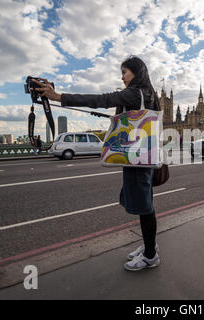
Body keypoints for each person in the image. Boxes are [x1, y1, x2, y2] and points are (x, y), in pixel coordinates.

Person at [33, 56, 161, 271]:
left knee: (144, 207)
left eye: (124, 72)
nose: (122, 77)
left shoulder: (135, 92)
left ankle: (150, 256)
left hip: (136, 160)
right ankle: (150, 246)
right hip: (142, 156)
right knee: (145, 204)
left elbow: (100, 99)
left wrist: (57, 96)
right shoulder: (148, 93)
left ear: (136, 73)